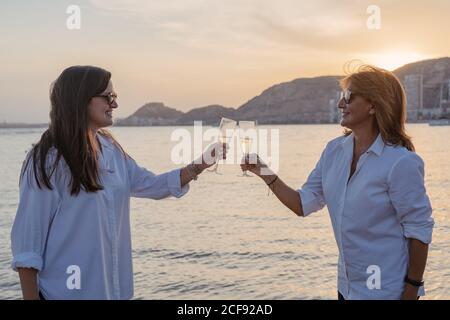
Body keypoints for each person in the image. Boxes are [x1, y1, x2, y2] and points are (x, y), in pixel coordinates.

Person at [10, 65, 225, 300]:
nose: (115, 105)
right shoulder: (48, 162)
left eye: (115, 97)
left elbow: (153, 185)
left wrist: (202, 163)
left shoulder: (111, 150)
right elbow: (28, 250)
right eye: (108, 97)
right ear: (81, 99)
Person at [241, 65, 434, 300]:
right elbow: (302, 204)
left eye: (348, 97)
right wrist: (263, 171)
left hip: (388, 291)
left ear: (373, 105)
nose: (340, 104)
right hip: (347, 288)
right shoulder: (334, 152)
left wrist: (411, 290)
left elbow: (419, 229)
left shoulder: (400, 162)